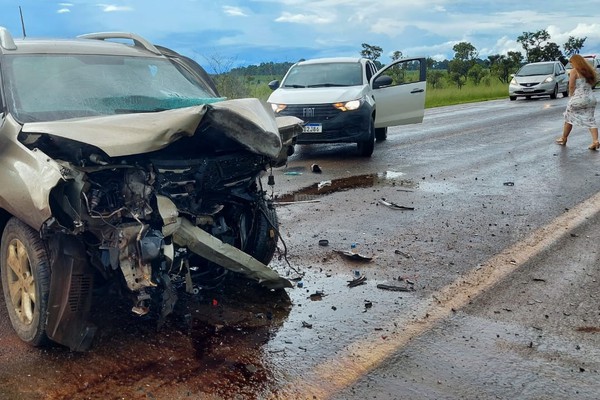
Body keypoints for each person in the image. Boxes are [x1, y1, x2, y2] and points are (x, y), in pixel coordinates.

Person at [555, 54, 599, 149]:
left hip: (578, 98)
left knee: (568, 118)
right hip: (591, 99)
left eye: (571, 63)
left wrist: (571, 96)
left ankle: (564, 138)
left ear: (575, 62)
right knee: (590, 120)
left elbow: (571, 85)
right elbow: (593, 83)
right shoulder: (589, 71)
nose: (571, 65)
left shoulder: (574, 71)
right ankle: (595, 141)